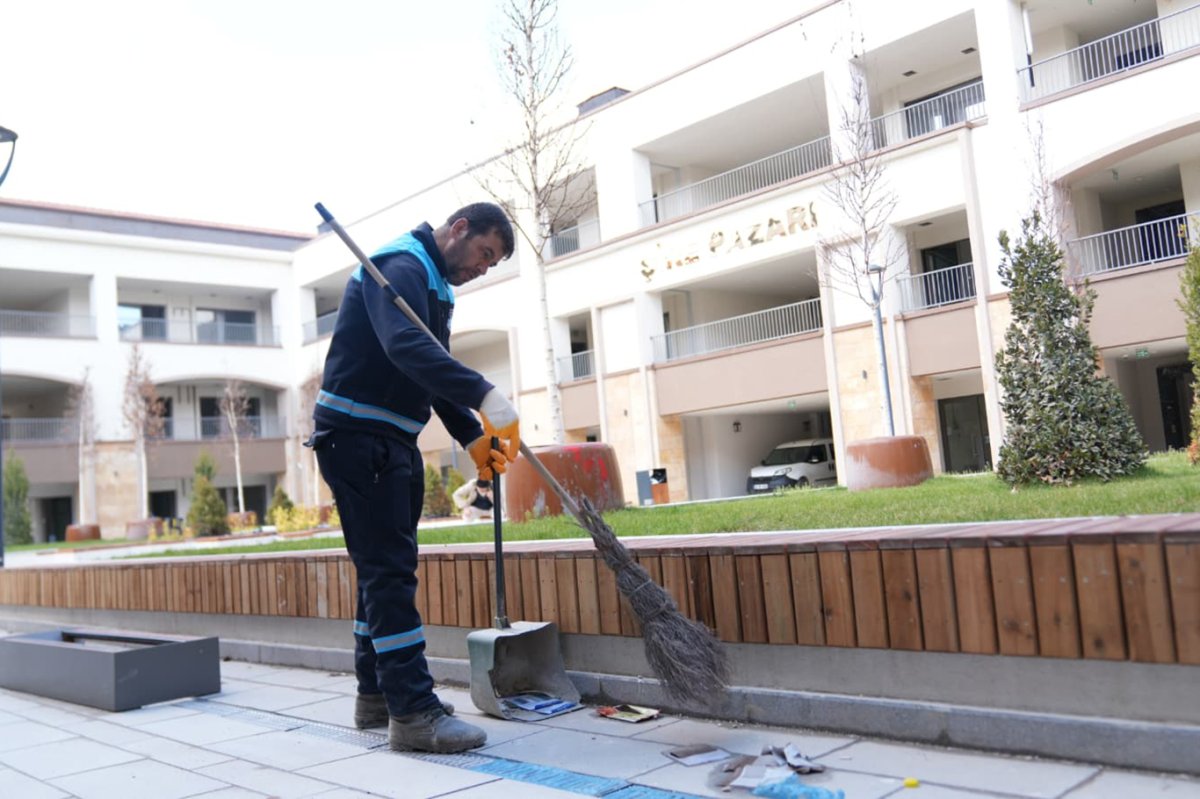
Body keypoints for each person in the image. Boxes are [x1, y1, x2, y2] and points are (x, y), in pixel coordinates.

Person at [307, 203, 519, 754]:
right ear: (459, 230)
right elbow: (406, 348)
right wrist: (485, 393)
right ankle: (413, 713)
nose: (481, 269)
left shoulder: (433, 284)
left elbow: (430, 367)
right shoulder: (399, 266)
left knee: (381, 574)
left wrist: (473, 436)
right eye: (483, 255)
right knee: (389, 576)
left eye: (491, 265)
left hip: (388, 440)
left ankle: (378, 696)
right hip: (358, 438)